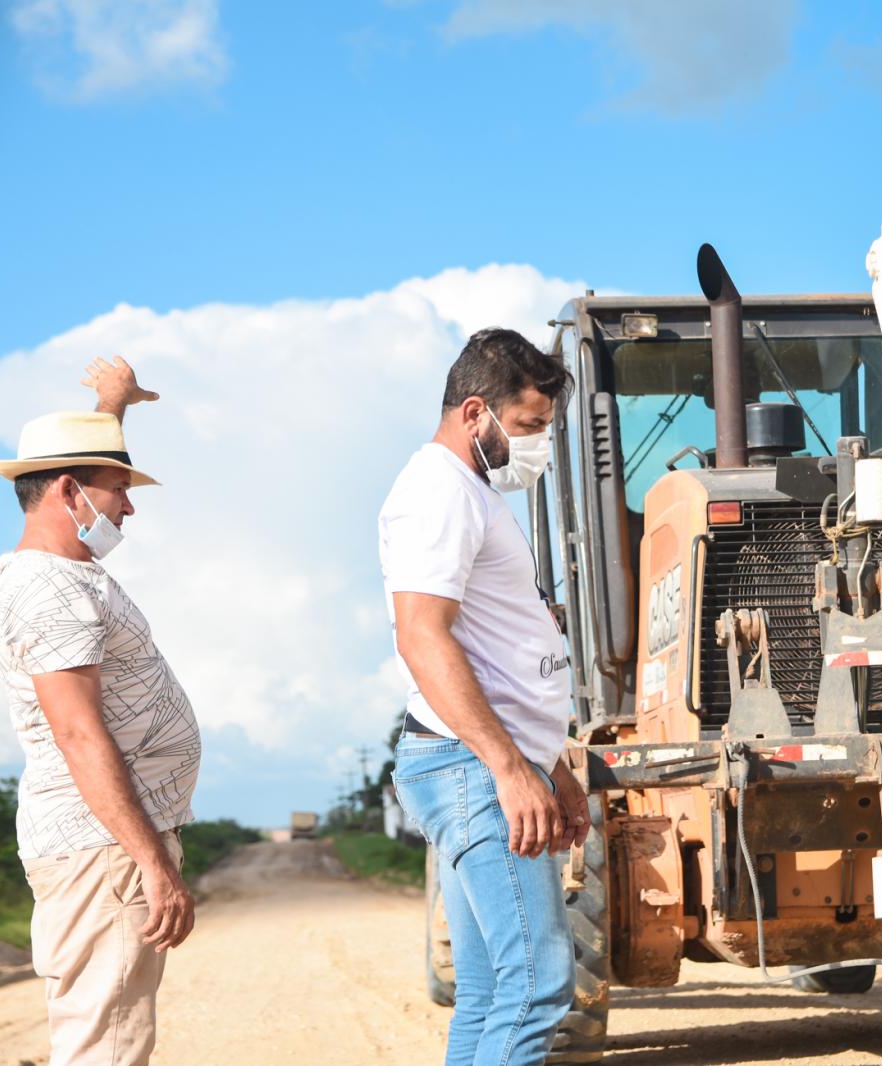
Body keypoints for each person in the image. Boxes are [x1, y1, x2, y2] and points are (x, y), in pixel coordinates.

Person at [380, 328, 587, 1065]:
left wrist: (552, 765)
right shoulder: (437, 492)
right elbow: (423, 638)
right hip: (472, 770)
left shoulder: (466, 492)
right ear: (476, 412)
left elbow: (500, 651)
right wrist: (507, 768)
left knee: (491, 987)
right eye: (528, 427)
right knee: (536, 985)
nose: (536, 445)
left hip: (483, 763)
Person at [0, 357, 200, 1066]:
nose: (130, 508)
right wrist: (151, 861)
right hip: (101, 850)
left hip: (103, 845)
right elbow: (78, 733)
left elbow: (87, 465)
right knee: (104, 1047)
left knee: (112, 1037)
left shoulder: (65, 572)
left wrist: (113, 408)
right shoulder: (49, 589)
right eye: (120, 492)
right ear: (70, 492)